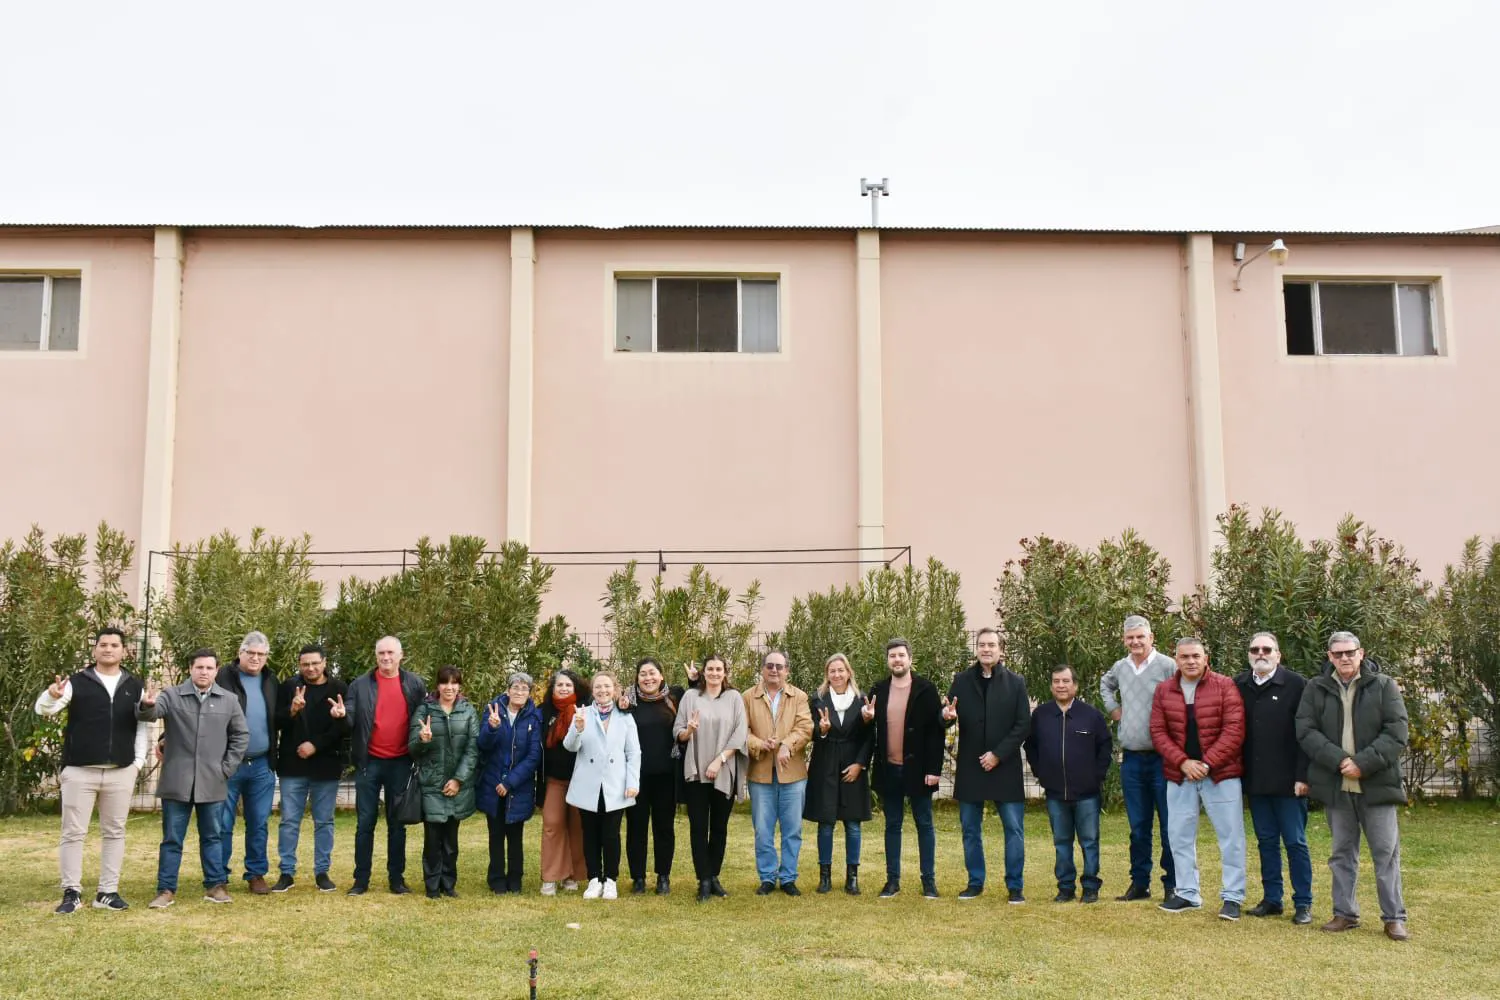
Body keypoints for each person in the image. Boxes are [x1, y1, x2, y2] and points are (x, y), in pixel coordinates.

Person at [1296, 631, 1411, 941]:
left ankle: (1394, 918)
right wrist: (1339, 761)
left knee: (1385, 854)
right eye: (1338, 654)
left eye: (1350, 652)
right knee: (1341, 854)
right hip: (1337, 785)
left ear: (1361, 653)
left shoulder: (1384, 686)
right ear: (1330, 657)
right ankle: (1344, 913)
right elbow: (1306, 731)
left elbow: (1397, 732)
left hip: (1377, 784)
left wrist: (1362, 763)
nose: (1344, 658)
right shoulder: (1316, 687)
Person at [33, 627, 149, 913]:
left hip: (121, 771)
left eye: (114, 645)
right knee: (73, 833)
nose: (108, 649)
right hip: (79, 770)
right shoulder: (76, 683)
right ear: (94, 650)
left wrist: (137, 764)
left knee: (115, 832)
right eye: (103, 645)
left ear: (124, 651)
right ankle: (71, 892)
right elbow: (43, 709)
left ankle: (107, 892)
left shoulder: (135, 685)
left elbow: (142, 728)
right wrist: (51, 696)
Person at [139, 648, 249, 908]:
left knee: (212, 836)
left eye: (209, 668)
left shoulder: (229, 700)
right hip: (177, 781)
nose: (204, 672)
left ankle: (215, 886)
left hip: (213, 781)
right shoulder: (171, 695)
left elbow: (241, 736)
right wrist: (147, 705)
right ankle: (166, 890)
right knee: (172, 839)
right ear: (190, 669)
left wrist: (226, 768)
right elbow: (150, 714)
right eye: (199, 667)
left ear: (216, 670)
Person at [1150, 637, 1247, 919]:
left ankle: (1232, 897)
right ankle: (1187, 893)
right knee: (1179, 836)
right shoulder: (1164, 690)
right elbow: (1158, 731)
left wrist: (1206, 763)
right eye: (1184, 657)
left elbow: (1234, 730)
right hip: (1179, 774)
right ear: (1176, 660)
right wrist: (1182, 762)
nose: (1190, 661)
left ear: (1206, 658)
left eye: (1196, 656)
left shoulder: (1224, 685)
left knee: (1231, 837)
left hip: (1221, 774)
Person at [943, 626, 1031, 902]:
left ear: (1001, 650)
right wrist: (945, 716)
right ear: (977, 649)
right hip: (971, 767)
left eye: (992, 645)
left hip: (1005, 766)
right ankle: (975, 882)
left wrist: (998, 754)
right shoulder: (961, 681)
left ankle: (1015, 886)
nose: (986, 649)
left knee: (1013, 829)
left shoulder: (1016, 682)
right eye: (982, 645)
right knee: (970, 829)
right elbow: (947, 716)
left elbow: (1023, 725)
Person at [1233, 632, 1312, 924]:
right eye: (1255, 649)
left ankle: (1303, 903)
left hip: (1290, 783)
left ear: (1278, 655)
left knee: (1295, 842)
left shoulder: (1296, 684)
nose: (1261, 654)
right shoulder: (1239, 685)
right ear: (1249, 655)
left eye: (1267, 649)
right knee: (1266, 841)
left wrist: (1303, 776)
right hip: (1256, 781)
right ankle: (1272, 899)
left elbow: (1306, 734)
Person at [1100, 614, 1178, 901]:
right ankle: (1140, 883)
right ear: (1124, 640)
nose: (1135, 642)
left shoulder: (1168, 666)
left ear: (1151, 638)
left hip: (1163, 759)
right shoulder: (1120, 668)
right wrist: (1114, 709)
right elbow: (1105, 685)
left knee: (1169, 826)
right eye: (1130, 637)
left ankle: (1172, 884)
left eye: (1140, 637)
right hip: (1132, 760)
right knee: (1138, 826)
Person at [342, 635, 426, 896]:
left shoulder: (414, 684)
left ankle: (396, 879)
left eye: (390, 652)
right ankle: (361, 880)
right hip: (369, 762)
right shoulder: (359, 685)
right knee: (365, 823)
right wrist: (342, 715)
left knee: (397, 824)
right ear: (376, 656)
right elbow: (350, 717)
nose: (386, 657)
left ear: (401, 655)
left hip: (401, 762)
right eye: (381, 653)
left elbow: (423, 716)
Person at [1024, 664, 1112, 903]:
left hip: (1087, 794)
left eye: (1065, 681)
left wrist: (1096, 776)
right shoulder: (1041, 715)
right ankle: (1065, 888)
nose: (1061, 686)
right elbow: (1030, 746)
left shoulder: (1091, 715)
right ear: (1051, 686)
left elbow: (1105, 746)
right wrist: (1041, 772)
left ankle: (1090, 887)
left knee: (1089, 841)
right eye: (1056, 681)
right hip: (1055, 793)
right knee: (1062, 843)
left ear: (1075, 685)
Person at [867, 637, 945, 899]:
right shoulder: (878, 690)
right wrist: (866, 718)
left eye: (901, 655)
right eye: (892, 656)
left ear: (910, 659)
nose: (897, 660)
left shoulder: (926, 689)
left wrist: (934, 769)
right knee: (892, 824)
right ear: (888, 660)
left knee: (924, 823)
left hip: (919, 770)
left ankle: (929, 882)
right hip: (889, 769)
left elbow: (936, 732)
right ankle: (892, 881)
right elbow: (869, 727)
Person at [272, 643, 348, 893]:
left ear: (324, 662)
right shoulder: (288, 687)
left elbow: (343, 728)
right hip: (292, 765)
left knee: (324, 821)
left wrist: (315, 745)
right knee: (289, 821)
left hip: (325, 765)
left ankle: (322, 872)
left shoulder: (339, 689)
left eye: (315, 663)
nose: (311, 668)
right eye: (305, 664)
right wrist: (292, 710)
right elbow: (276, 721)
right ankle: (286, 872)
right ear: (299, 665)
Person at [675, 654, 747, 902]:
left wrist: (720, 760)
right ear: (703, 672)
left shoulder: (734, 698)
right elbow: (678, 731)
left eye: (719, 669)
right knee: (698, 828)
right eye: (710, 669)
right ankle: (703, 880)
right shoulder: (690, 697)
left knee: (719, 827)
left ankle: (713, 875)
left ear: (725, 672)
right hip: (696, 771)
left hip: (723, 770)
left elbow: (740, 733)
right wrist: (689, 731)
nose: (715, 673)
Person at [564, 671, 641, 900]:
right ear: (593, 690)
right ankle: (594, 879)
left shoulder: (625, 716)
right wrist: (578, 728)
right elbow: (570, 746)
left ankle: (611, 880)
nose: (602, 690)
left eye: (607, 686)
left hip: (615, 784)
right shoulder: (583, 713)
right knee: (590, 834)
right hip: (588, 783)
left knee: (610, 835)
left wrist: (633, 782)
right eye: (598, 686)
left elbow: (633, 753)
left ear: (614, 689)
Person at [743, 649, 814, 896]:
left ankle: (788, 878)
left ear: (787, 671)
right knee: (763, 830)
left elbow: (805, 727)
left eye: (779, 666)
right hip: (760, 773)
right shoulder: (748, 697)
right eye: (770, 666)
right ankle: (767, 877)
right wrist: (759, 744)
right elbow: (742, 730)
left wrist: (786, 745)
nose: (774, 670)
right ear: (762, 669)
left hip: (792, 774)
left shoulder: (799, 697)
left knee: (792, 829)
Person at [215, 631, 281, 895]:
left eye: (261, 654)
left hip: (262, 764)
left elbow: (279, 718)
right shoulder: (222, 677)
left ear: (266, 657)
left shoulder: (271, 680)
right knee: (222, 823)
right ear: (240, 653)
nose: (255, 658)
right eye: (250, 653)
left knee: (259, 823)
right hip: (228, 763)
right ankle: (218, 875)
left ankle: (256, 874)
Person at [803, 653, 872, 895]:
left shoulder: (862, 700)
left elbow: (869, 737)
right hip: (825, 765)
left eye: (841, 670)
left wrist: (860, 764)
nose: (837, 674)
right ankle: (825, 877)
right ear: (827, 675)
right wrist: (821, 730)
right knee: (826, 823)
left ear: (848, 672)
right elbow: (810, 732)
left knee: (853, 824)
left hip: (852, 765)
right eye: (832, 671)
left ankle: (852, 877)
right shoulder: (818, 700)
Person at [408, 665, 479, 899]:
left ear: (459, 686)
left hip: (458, 786)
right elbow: (412, 748)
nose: (449, 687)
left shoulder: (468, 711)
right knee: (432, 838)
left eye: (454, 682)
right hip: (432, 784)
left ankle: (448, 884)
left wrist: (458, 779)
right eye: (444, 682)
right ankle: (432, 886)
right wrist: (423, 739)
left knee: (451, 841)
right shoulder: (424, 710)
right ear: (437, 686)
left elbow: (473, 749)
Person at [619, 657, 685, 894]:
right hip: (635, 777)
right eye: (643, 674)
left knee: (664, 827)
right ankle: (638, 878)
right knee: (636, 827)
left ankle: (663, 877)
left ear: (661, 676)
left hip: (665, 776)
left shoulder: (674, 698)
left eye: (652, 673)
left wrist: (694, 679)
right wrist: (619, 703)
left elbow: (699, 694)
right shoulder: (627, 702)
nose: (648, 678)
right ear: (637, 678)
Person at [476, 670, 542, 895]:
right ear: (508, 690)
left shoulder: (534, 717)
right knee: (495, 835)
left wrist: (510, 782)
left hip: (519, 787)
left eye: (524, 688)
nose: (519, 692)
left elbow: (533, 756)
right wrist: (492, 728)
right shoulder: (493, 711)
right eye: (516, 687)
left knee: (515, 836)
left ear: (529, 693)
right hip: (492, 783)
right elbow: (483, 745)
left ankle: (515, 879)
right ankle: (496, 879)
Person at [538, 668, 589, 895]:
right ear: (553, 688)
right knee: (552, 824)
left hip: (579, 778)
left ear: (575, 688)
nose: (564, 688)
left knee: (577, 827)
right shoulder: (543, 711)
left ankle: (572, 875)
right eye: (560, 684)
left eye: (568, 685)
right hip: (553, 779)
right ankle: (550, 876)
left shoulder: (585, 709)